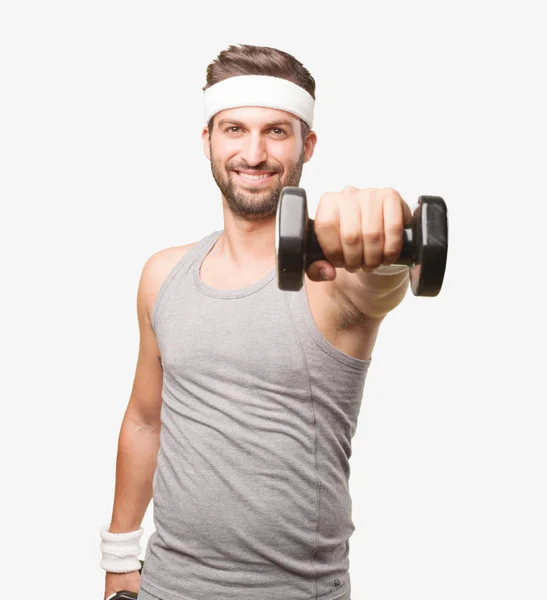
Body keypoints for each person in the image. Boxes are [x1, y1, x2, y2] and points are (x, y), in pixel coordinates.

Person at [100, 43, 412, 600]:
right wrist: (120, 555)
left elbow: (379, 279)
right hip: (166, 588)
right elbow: (146, 419)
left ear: (306, 145)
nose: (254, 152)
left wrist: (387, 232)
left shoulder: (333, 277)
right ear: (208, 141)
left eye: (276, 132)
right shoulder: (163, 274)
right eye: (235, 129)